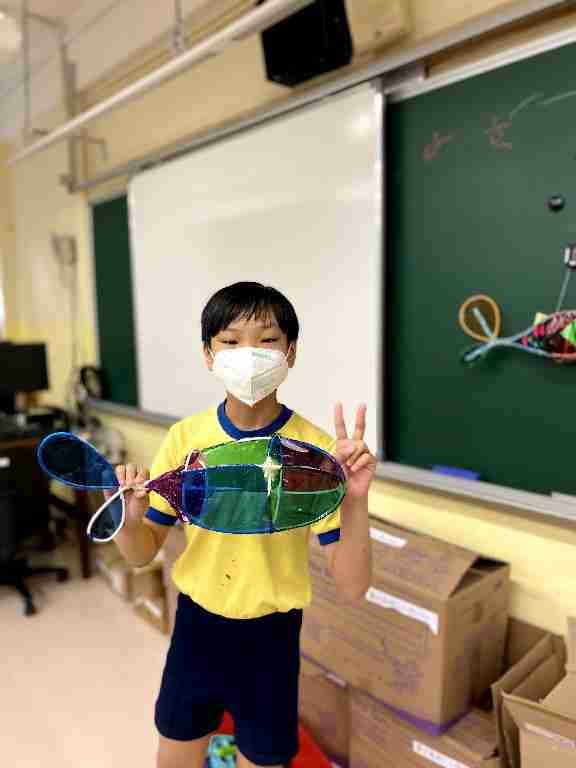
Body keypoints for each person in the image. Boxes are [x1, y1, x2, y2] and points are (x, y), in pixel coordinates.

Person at [112, 282, 376, 768]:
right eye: (231, 342)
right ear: (208, 355)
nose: (249, 354)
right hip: (197, 627)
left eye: (267, 340)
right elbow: (140, 551)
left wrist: (356, 501)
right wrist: (128, 522)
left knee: (264, 757)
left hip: (271, 639)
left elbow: (352, 585)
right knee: (175, 754)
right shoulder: (185, 438)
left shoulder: (314, 453)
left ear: (290, 352)